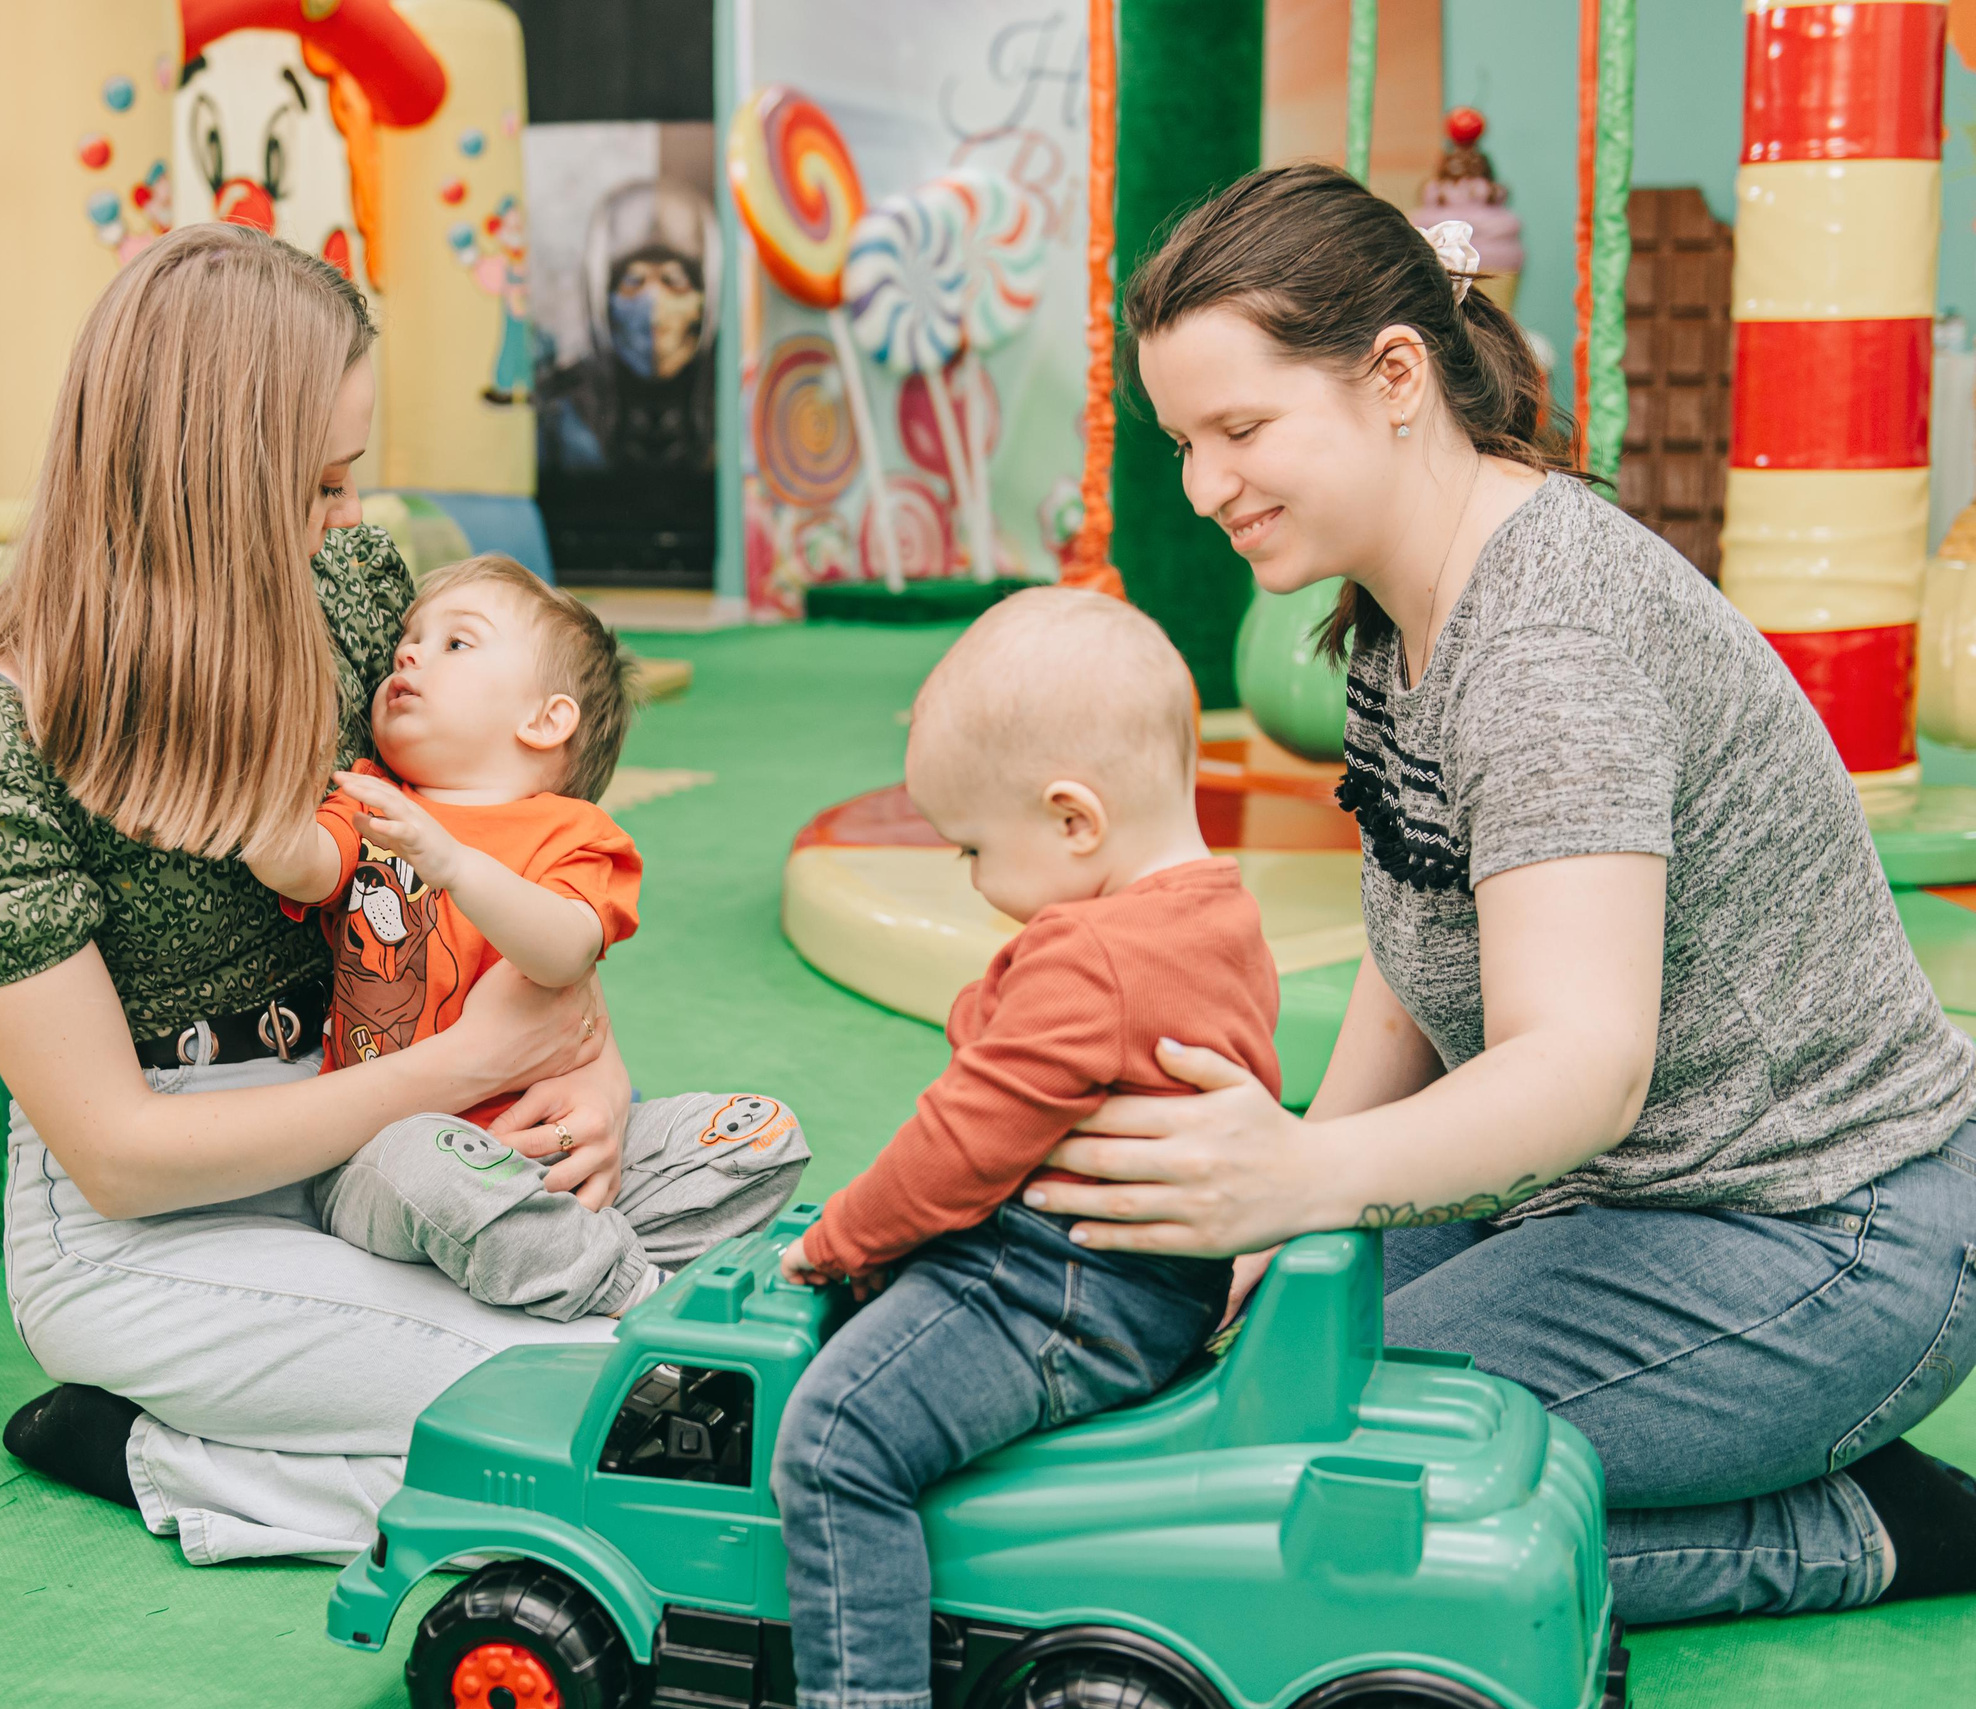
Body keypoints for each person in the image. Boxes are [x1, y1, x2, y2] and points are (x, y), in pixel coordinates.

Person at [1015, 162, 1976, 1623]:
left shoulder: (1545, 648)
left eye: (1241, 429)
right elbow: (1422, 947)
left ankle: (1861, 1525)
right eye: (1182, 443)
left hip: (1820, 1232)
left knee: (1301, 1497)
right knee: (1228, 1363)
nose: (1205, 487)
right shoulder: (1400, 612)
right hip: (1602, 1199)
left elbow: (1585, 1065)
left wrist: (1299, 1178)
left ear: (1395, 376)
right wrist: (1280, 1220)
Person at [0, 223, 781, 1564]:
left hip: (379, 1110)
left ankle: (258, 1435)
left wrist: (588, 1055)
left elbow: (482, 840)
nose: (351, 515)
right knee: (631, 1400)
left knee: (687, 1309)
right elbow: (114, 1156)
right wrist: (461, 1065)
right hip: (160, 1216)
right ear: (212, 483)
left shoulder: (347, 592)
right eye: (323, 481)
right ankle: (170, 1455)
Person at [772, 589, 1280, 1709]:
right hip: (1156, 1285)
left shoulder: (1088, 958)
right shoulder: (1220, 916)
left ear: (1071, 821)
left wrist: (840, 1236)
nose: (971, 878)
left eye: (971, 848)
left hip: (1058, 1286)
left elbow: (959, 1143)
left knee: (834, 1437)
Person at [247, 553, 807, 1320]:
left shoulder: (574, 833)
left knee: (761, 1134)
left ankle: (559, 1253)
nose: (408, 652)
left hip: (549, 1154)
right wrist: (247, 799)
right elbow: (303, 869)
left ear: (545, 721)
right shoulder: (370, 798)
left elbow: (565, 948)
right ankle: (633, 1295)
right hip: (381, 1157)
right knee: (433, 1170)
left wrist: (452, 862)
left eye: (457, 643)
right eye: (410, 638)